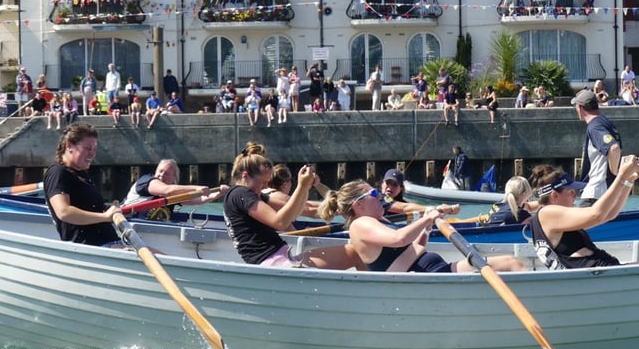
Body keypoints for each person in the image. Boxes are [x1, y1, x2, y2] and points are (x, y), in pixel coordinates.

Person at [318, 180, 525, 273]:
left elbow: (413, 247)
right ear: (358, 205)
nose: (380, 196)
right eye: (373, 194)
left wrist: (428, 223)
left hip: (434, 271)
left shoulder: (379, 221)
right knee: (511, 264)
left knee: (512, 261)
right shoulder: (361, 224)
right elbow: (398, 239)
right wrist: (426, 219)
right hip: (428, 280)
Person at [223, 151, 363, 269]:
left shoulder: (256, 195)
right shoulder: (240, 193)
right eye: (263, 182)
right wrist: (301, 186)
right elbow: (280, 222)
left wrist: (306, 187)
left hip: (282, 257)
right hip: (273, 264)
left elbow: (302, 209)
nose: (266, 187)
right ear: (245, 176)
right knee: (357, 255)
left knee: (356, 253)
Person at [528, 158, 639, 269]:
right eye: (570, 192)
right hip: (595, 279)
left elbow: (609, 214)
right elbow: (596, 215)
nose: (575, 196)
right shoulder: (547, 213)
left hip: (603, 273)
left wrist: (628, 181)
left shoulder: (552, 217)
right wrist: (621, 177)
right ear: (555, 196)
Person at [43, 123, 122, 246]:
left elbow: (89, 207)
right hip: (92, 246)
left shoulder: (81, 174)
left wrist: (110, 209)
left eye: (94, 149)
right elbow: (64, 212)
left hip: (110, 241)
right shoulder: (58, 173)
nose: (92, 154)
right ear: (69, 146)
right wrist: (105, 216)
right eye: (87, 149)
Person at [122, 159, 226, 219]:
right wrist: (196, 187)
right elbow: (166, 190)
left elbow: (199, 199)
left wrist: (219, 193)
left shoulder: (173, 194)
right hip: (128, 222)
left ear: (173, 178)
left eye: (166, 173)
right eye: (160, 171)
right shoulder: (146, 181)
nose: (161, 175)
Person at [571, 88, 622, 206]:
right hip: (607, 191)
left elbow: (613, 148)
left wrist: (615, 172)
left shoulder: (595, 127)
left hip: (596, 192)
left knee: (576, 224)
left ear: (580, 107)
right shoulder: (606, 122)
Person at [380, 168, 460, 217]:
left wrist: (447, 211)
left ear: (401, 188)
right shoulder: (379, 197)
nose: (390, 187)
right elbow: (404, 208)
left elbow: (407, 207)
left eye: (395, 185)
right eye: (387, 183)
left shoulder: (403, 202)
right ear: (382, 184)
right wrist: (435, 208)